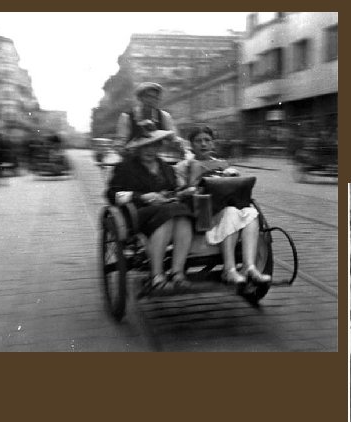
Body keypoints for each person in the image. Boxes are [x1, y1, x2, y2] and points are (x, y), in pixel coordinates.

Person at [174, 126, 270, 285]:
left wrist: (232, 176)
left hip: (224, 211)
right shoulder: (182, 167)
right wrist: (192, 187)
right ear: (191, 145)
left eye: (207, 140)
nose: (203, 144)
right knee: (232, 212)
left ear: (213, 144)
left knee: (251, 213)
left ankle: (249, 266)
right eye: (198, 141)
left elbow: (236, 190)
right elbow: (178, 193)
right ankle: (229, 270)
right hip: (200, 216)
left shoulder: (223, 165)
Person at [106, 125, 194, 293]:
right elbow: (111, 193)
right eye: (145, 145)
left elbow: (174, 190)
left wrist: (184, 192)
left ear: (159, 146)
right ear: (138, 148)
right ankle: (156, 276)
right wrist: (142, 197)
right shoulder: (125, 167)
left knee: (183, 216)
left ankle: (177, 273)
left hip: (168, 210)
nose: (150, 149)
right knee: (170, 214)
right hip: (137, 214)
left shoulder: (166, 168)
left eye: (154, 145)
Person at [115, 82, 177, 154]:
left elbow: (173, 139)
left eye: (156, 97)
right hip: (133, 157)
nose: (152, 100)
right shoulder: (127, 117)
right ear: (140, 98)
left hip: (157, 156)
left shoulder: (164, 116)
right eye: (148, 96)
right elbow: (120, 143)